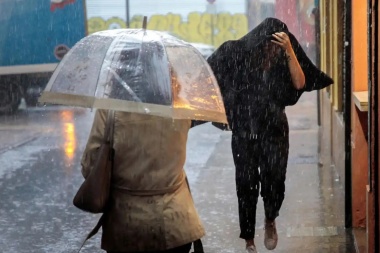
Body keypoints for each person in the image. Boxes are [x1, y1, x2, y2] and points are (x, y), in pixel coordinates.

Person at [207, 18, 333, 253]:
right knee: (246, 184)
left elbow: (300, 82)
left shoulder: (283, 59)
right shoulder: (240, 56)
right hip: (244, 130)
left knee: (274, 179)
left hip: (274, 130)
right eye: (271, 44)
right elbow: (212, 77)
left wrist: (289, 51)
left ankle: (270, 219)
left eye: (278, 45)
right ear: (260, 43)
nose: (273, 50)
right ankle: (248, 239)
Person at [81, 110, 205, 253]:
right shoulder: (180, 104)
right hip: (176, 222)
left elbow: (90, 167)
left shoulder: (110, 108)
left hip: (126, 224)